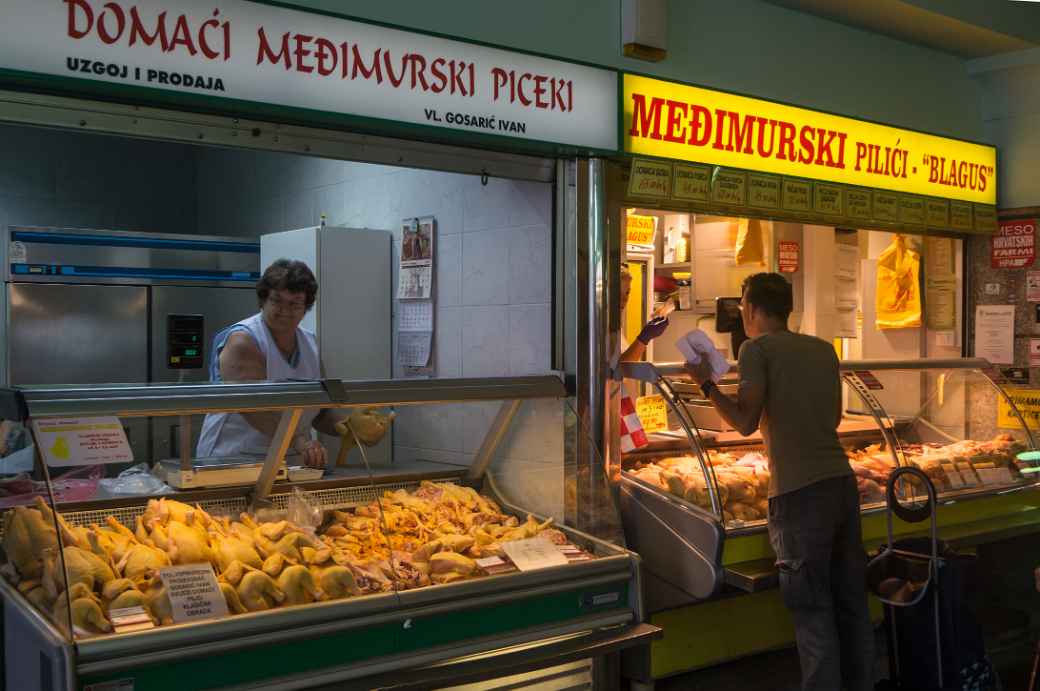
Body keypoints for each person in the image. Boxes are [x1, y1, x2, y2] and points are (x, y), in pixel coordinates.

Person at [684, 272, 873, 691]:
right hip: (841, 484)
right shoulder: (823, 349)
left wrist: (706, 384)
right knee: (852, 607)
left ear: (749, 309)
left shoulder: (757, 349)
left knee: (813, 615)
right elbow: (832, 418)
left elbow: (745, 422)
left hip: (798, 494)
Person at [196, 259, 362, 468]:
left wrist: (347, 426)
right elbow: (254, 408)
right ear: (263, 300)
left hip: (290, 462)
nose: (284, 310)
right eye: (276, 300)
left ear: (305, 308)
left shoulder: (310, 343)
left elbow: (319, 408)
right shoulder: (243, 341)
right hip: (233, 460)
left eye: (294, 304)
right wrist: (300, 442)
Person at [618, 262, 669, 363]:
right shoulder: (595, 328)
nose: (624, 299)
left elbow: (625, 365)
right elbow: (618, 372)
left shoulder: (614, 327)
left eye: (627, 292)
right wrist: (644, 337)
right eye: (618, 292)